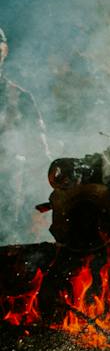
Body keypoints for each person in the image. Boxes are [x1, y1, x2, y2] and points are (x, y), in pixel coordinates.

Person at [0, 26, 49, 246]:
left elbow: (39, 157)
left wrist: (39, 209)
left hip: (9, 209)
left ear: (5, 50)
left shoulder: (20, 99)